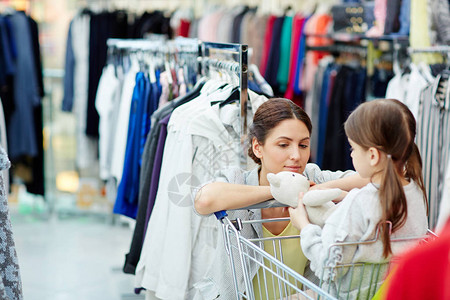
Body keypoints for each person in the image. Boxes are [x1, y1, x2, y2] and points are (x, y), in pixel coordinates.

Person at [194, 98, 368, 299]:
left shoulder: (312, 177)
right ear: (258, 148)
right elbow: (204, 200)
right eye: (284, 144)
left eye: (303, 145)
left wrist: (320, 188)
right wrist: (278, 191)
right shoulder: (237, 180)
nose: (296, 155)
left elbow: (375, 178)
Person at [288, 98, 429, 299]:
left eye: (353, 148)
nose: (352, 155)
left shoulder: (359, 202)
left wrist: (303, 225)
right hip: (396, 292)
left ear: (372, 155)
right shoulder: (415, 191)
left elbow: (329, 268)